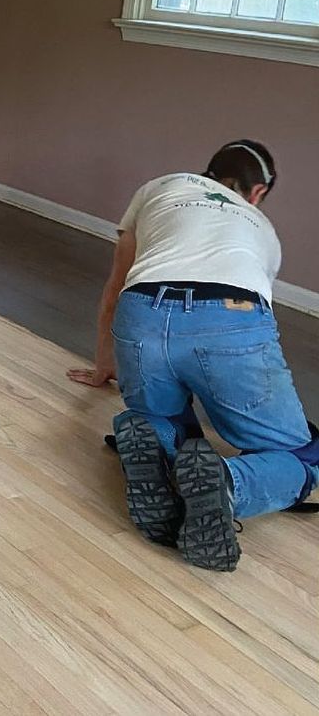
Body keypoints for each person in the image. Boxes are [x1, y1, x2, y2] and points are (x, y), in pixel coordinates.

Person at [68, 141, 318, 572]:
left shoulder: (161, 187)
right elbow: (249, 327)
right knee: (300, 453)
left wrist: (106, 364)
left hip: (141, 309)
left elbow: (115, 287)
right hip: (232, 314)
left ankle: (151, 435)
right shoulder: (261, 227)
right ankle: (227, 484)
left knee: (166, 418)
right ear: (257, 193)